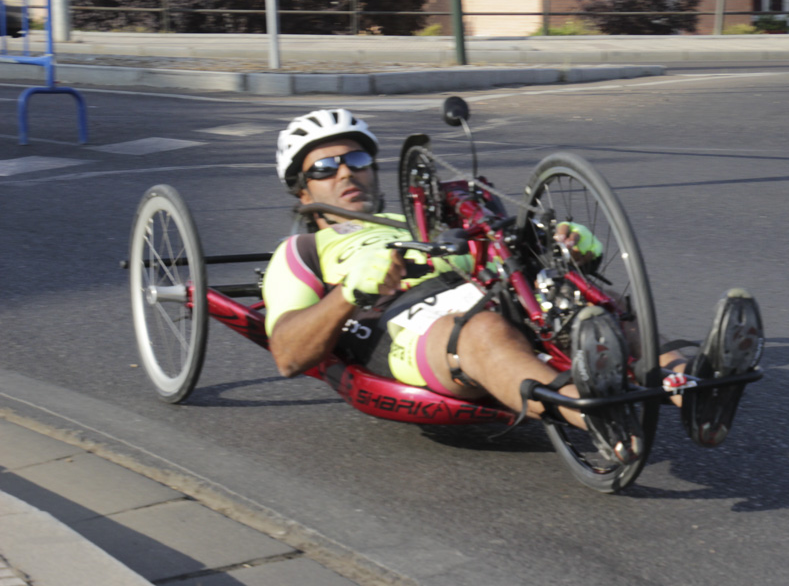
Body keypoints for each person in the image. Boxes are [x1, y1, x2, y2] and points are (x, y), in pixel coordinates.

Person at [262, 109, 762, 461]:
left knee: (592, 305)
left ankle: (695, 387)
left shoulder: (417, 220)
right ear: (301, 187)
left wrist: (561, 246)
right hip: (403, 327)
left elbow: (498, 250)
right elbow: (287, 352)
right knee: (480, 333)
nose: (346, 172)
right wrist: (349, 292)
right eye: (325, 167)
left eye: (358, 161)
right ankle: (594, 415)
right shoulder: (302, 251)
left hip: (487, 295)